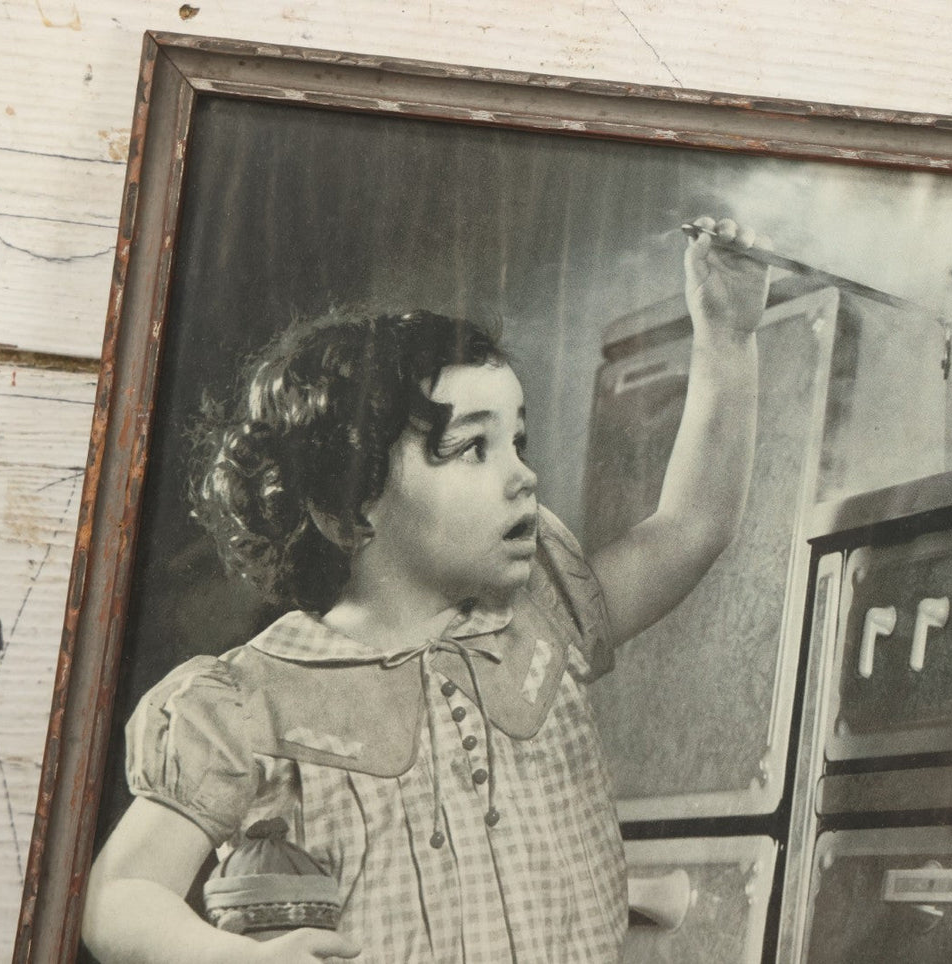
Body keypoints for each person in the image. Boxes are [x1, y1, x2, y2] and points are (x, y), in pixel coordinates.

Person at [80, 216, 768, 964]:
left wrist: (726, 336)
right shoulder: (251, 705)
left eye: (517, 441)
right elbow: (120, 899)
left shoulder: (542, 622)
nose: (522, 475)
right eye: (472, 448)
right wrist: (233, 959)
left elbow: (692, 526)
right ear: (344, 511)